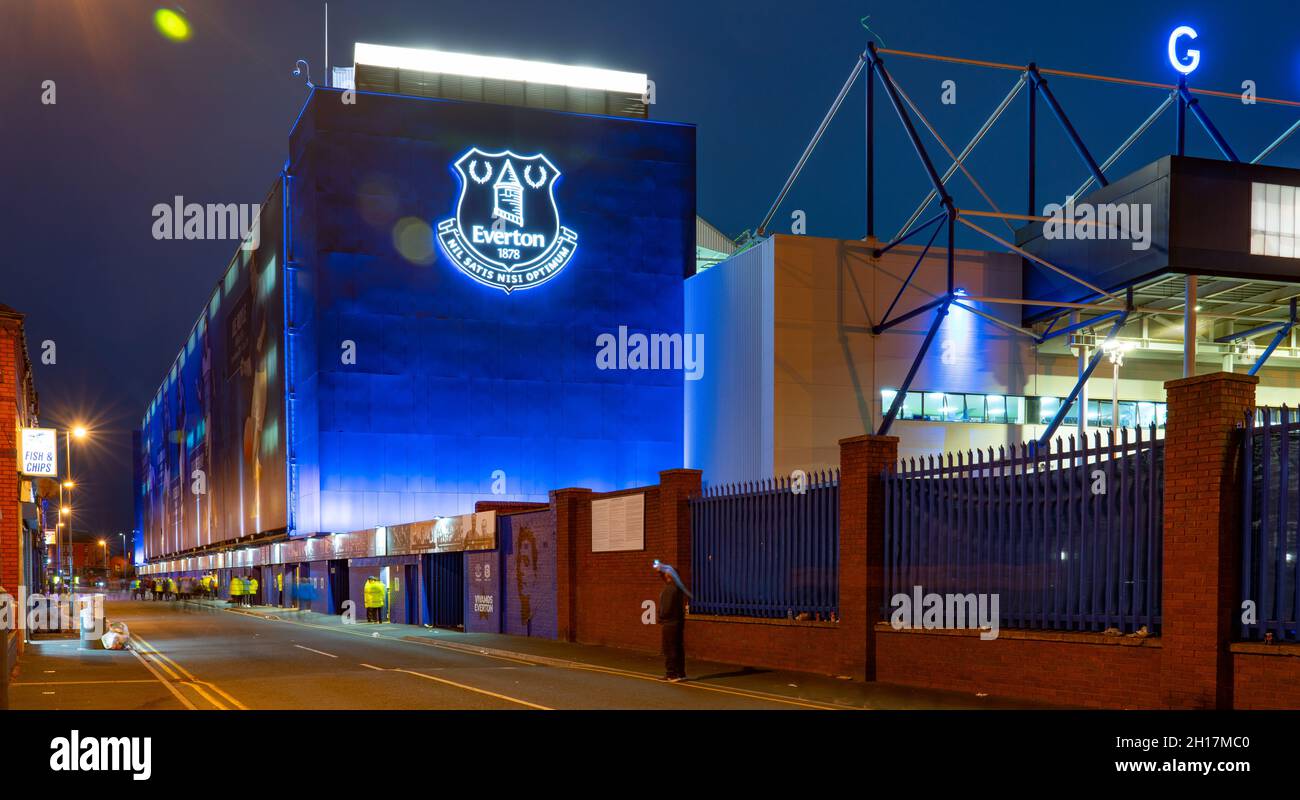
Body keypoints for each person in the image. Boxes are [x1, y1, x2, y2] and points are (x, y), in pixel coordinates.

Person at [653, 560, 690, 682]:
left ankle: (671, 673)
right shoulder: (677, 588)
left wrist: (661, 617)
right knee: (678, 647)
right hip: (677, 621)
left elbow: (666, 608)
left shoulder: (670, 589)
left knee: (670, 648)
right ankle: (680, 673)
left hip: (670, 623)